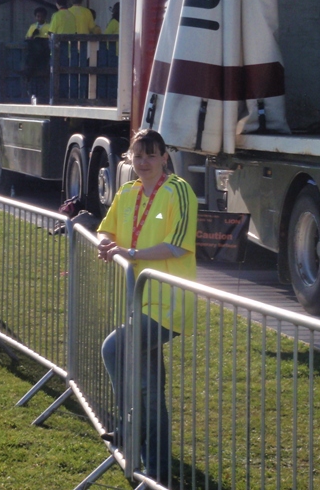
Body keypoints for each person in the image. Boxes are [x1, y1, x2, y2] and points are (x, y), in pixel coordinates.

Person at [96, 129, 197, 483]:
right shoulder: (127, 192)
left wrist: (132, 254)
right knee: (151, 389)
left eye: (151, 155)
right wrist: (106, 244)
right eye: (138, 156)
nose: (144, 162)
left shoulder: (179, 191)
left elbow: (177, 246)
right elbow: (105, 229)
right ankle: (155, 464)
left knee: (114, 347)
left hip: (169, 304)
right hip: (139, 301)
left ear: (165, 157)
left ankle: (127, 429)